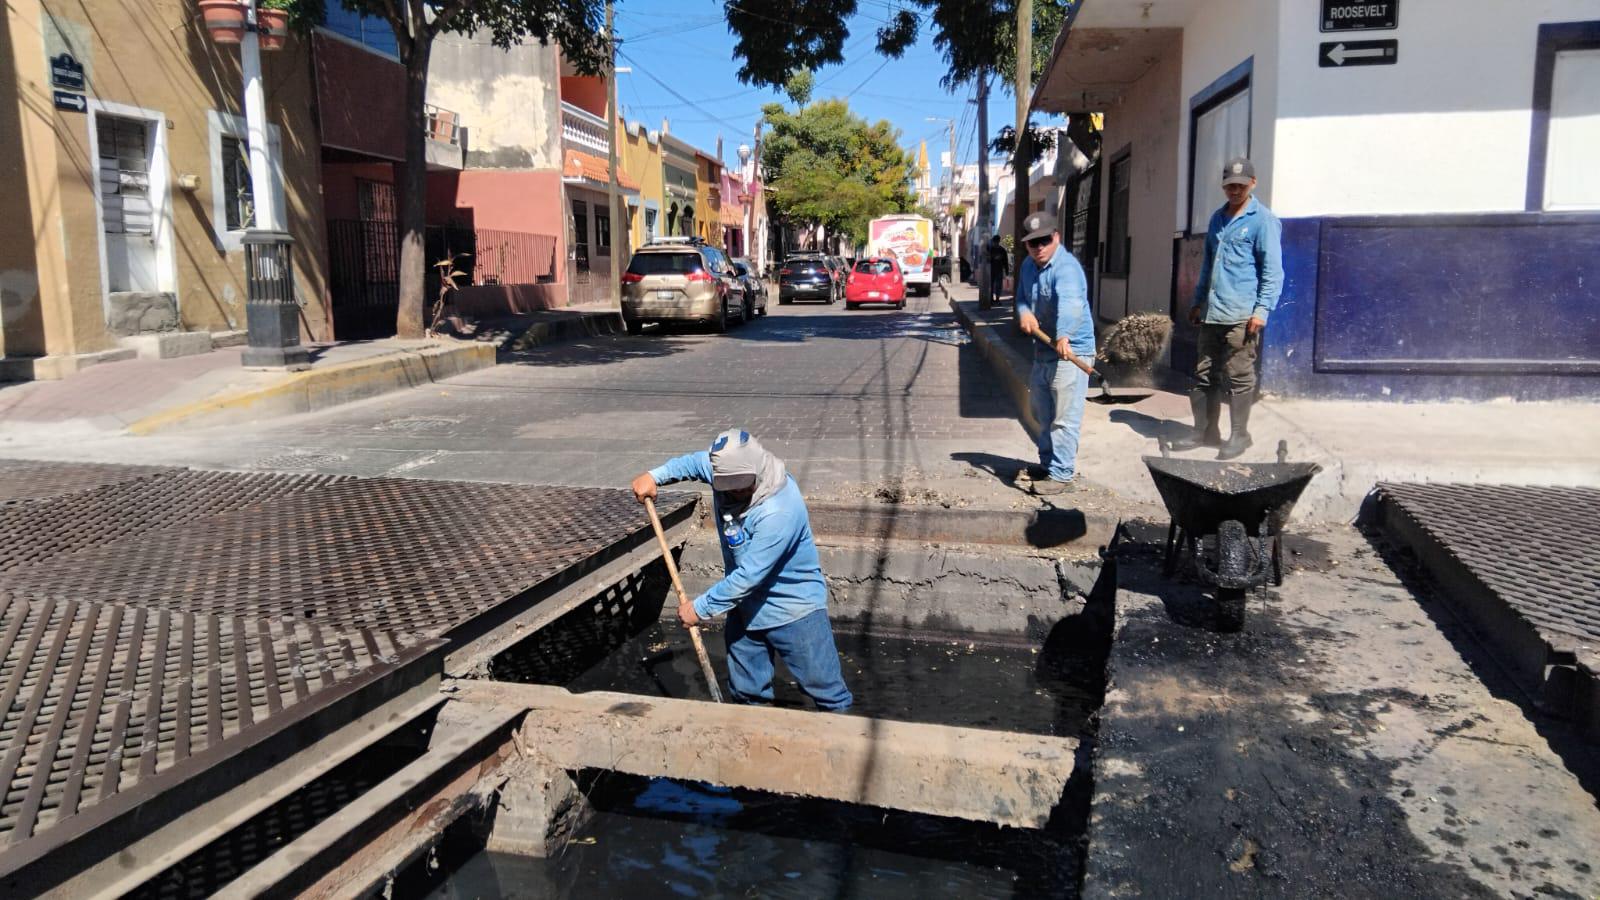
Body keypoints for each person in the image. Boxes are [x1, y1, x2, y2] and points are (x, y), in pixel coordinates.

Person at [631, 429, 853, 711]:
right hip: (745, 609)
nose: (735, 492)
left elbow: (748, 577)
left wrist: (699, 609)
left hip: (793, 611)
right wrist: (654, 476)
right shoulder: (724, 469)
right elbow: (692, 464)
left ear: (755, 470)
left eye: (741, 486)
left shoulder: (779, 510)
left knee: (828, 695)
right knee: (747, 695)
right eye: (728, 486)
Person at [1170, 157, 1283, 460]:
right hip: (1213, 312)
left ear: (1252, 183)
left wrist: (1261, 310)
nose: (1235, 190)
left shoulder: (1263, 221)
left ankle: (1240, 435)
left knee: (1238, 375)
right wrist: (1197, 302)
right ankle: (1205, 432)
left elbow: (1273, 271)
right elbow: (1208, 265)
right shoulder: (1217, 219)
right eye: (1230, 185)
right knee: (1204, 373)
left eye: (1240, 185)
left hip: (1241, 316)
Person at [1014, 212, 1095, 495]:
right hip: (1044, 349)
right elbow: (1021, 298)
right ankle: (1048, 465)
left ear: (1056, 237)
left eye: (1044, 240)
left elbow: (1072, 304)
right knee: (1042, 411)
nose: (1039, 247)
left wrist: (1064, 335)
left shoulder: (1067, 268)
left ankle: (1062, 474)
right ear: (1026, 245)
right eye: (1032, 242)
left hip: (1072, 350)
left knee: (1064, 417)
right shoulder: (1028, 266)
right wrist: (1024, 313)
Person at [986, 234, 1009, 300]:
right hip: (992, 270)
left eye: (996, 241)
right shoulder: (990, 249)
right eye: (994, 242)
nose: (995, 243)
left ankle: (997, 299)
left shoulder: (1002, 250)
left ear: (998, 241)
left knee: (998, 285)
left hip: (999, 270)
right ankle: (991, 299)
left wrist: (1006, 271)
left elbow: (1005, 261)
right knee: (992, 285)